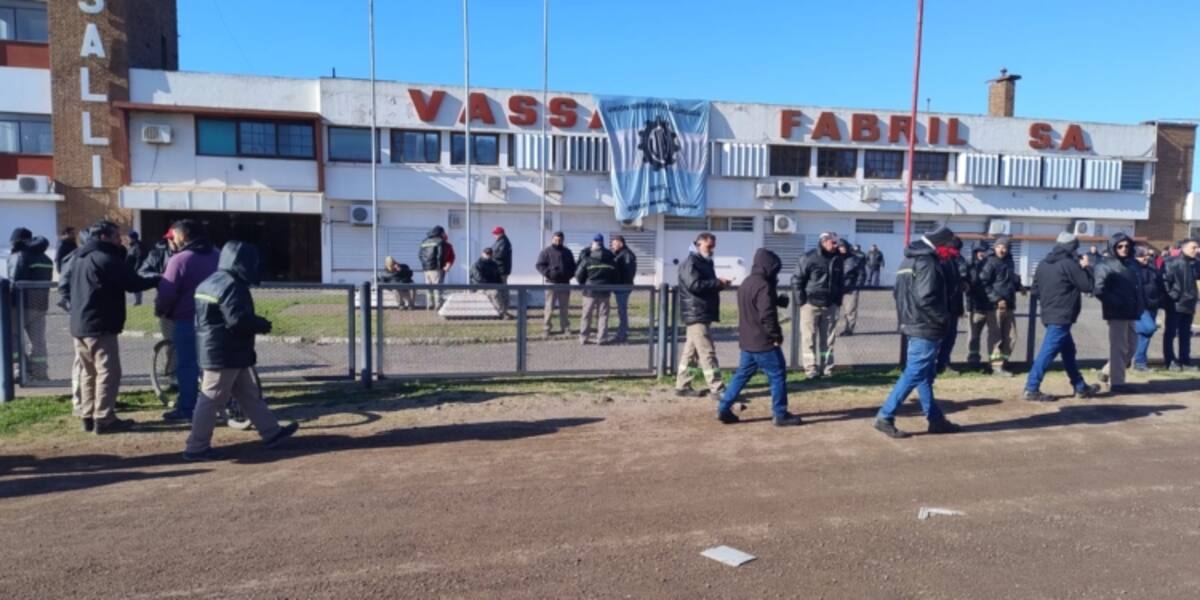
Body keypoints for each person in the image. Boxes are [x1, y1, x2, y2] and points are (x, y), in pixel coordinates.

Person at [184, 241, 298, 461]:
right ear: (242, 263)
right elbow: (237, 320)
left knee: (248, 395)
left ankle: (271, 433)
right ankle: (196, 448)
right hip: (224, 353)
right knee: (210, 400)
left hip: (224, 351)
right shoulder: (231, 285)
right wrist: (260, 324)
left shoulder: (211, 281)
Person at [68, 220, 158, 434]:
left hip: (80, 324)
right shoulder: (106, 258)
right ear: (103, 237)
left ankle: (88, 415)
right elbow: (132, 283)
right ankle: (105, 418)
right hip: (101, 324)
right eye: (117, 236)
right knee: (108, 372)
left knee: (88, 373)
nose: (121, 240)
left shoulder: (79, 258)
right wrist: (157, 280)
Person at [874, 226, 962, 438]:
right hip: (925, 325)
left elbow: (899, 293)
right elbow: (926, 297)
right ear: (942, 244)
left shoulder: (909, 260)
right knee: (916, 372)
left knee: (923, 374)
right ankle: (885, 415)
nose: (952, 254)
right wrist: (943, 318)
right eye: (950, 249)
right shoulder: (928, 262)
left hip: (913, 323)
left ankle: (935, 419)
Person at [716, 249, 803, 427]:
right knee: (777, 375)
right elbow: (766, 315)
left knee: (741, 375)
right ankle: (780, 414)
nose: (775, 273)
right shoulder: (764, 285)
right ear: (768, 267)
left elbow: (755, 306)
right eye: (775, 269)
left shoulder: (747, 282)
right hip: (764, 342)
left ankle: (724, 407)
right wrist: (776, 335)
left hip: (747, 341)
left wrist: (775, 299)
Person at [1023, 232, 1101, 402]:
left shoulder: (1043, 263)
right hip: (1063, 315)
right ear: (1072, 247)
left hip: (1048, 313)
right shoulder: (1069, 264)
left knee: (1068, 351)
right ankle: (1031, 387)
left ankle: (1080, 387)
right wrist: (1087, 267)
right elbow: (1087, 286)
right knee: (1048, 351)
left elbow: (1035, 290)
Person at [155, 219, 219, 421]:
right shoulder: (217, 255)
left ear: (181, 236)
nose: (171, 241)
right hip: (217, 320)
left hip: (187, 319)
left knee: (187, 365)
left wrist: (161, 311)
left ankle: (187, 407)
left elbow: (167, 292)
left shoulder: (180, 260)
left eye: (173, 236)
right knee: (215, 365)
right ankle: (222, 404)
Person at [676, 232, 731, 397]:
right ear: (699, 243)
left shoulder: (704, 262)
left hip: (700, 312)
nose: (712, 249)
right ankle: (717, 388)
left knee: (691, 352)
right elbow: (694, 285)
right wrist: (717, 282)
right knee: (707, 351)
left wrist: (719, 285)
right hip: (696, 313)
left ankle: (682, 385)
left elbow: (703, 285)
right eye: (709, 245)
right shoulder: (691, 262)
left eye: (713, 246)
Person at [1093, 233, 1144, 393]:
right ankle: (1118, 383)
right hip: (1116, 312)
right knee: (1119, 347)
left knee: (1132, 347)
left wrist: (1141, 303)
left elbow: (1138, 286)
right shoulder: (1104, 265)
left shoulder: (1133, 264)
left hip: (1132, 310)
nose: (1124, 249)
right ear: (1113, 247)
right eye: (1120, 246)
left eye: (1127, 246)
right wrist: (1115, 302)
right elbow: (1098, 289)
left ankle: (1107, 371)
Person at [793, 231, 845, 378]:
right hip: (810, 305)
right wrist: (801, 302)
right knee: (808, 339)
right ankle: (811, 370)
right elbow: (797, 280)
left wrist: (837, 301)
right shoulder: (809, 258)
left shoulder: (838, 260)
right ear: (824, 242)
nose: (837, 245)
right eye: (833, 242)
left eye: (837, 242)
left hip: (830, 305)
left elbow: (840, 281)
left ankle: (827, 368)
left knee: (828, 341)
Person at [7, 228, 52, 380]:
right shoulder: (46, 258)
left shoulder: (19, 255)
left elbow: (15, 281)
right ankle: (40, 372)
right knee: (38, 341)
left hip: (18, 306)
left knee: (13, 337)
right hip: (40, 305)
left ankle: (20, 370)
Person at [977, 237, 1019, 376]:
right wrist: (997, 299)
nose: (1002, 249)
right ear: (994, 247)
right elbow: (983, 283)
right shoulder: (990, 262)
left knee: (1011, 336)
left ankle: (1003, 362)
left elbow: (1010, 279)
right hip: (995, 306)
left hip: (1009, 304)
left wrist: (1019, 285)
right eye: (999, 246)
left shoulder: (1009, 261)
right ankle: (996, 366)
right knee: (996, 336)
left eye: (1005, 247)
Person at [140, 230, 178, 381]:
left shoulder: (192, 254)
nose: (173, 243)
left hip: (189, 305)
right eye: (170, 240)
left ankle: (177, 374)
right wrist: (161, 278)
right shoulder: (157, 253)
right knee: (172, 342)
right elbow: (143, 272)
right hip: (167, 305)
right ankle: (173, 376)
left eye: (174, 239)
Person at [1162, 238, 1200, 371]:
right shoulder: (1172, 263)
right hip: (1175, 304)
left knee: (1185, 334)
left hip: (1190, 304)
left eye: (1197, 248)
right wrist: (1174, 296)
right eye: (1194, 247)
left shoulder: (1196, 264)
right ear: (1184, 248)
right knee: (1171, 333)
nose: (1197, 250)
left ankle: (1185, 360)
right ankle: (1170, 360)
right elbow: (1165, 282)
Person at [575, 234, 618, 345]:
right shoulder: (610, 258)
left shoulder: (587, 258)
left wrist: (583, 284)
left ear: (594, 243)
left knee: (586, 315)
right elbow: (615, 275)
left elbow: (578, 274)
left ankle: (584, 337)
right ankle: (602, 338)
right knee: (603, 315)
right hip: (605, 290)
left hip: (589, 291)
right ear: (603, 243)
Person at [936, 237, 969, 375]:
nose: (956, 251)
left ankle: (944, 363)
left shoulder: (956, 261)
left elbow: (958, 286)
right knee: (940, 336)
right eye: (954, 249)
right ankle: (936, 364)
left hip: (953, 306)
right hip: (943, 306)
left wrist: (960, 308)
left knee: (950, 336)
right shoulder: (940, 261)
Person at [535, 231, 576, 336]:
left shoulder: (567, 252)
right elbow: (539, 265)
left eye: (560, 239)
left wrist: (568, 275)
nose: (558, 241)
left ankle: (565, 327)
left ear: (563, 240)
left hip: (565, 283)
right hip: (551, 283)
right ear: (552, 239)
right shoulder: (546, 252)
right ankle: (546, 328)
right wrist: (549, 273)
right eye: (556, 239)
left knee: (564, 307)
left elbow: (573, 267)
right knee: (549, 307)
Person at [1132, 246, 1163, 372]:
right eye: (1141, 255)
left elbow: (1159, 285)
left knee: (1146, 334)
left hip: (1153, 305)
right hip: (1140, 306)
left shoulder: (1152, 268)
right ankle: (1137, 360)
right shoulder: (1133, 270)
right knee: (1149, 328)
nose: (1145, 257)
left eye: (1147, 255)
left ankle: (1140, 362)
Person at [965, 242, 991, 368]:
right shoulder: (969, 266)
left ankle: (994, 362)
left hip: (990, 304)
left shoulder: (990, 264)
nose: (982, 253)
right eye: (979, 251)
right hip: (975, 306)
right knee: (974, 335)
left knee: (994, 334)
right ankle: (973, 359)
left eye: (984, 251)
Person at [611, 235, 638, 343]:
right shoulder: (620, 254)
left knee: (622, 310)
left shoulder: (626, 255)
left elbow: (628, 273)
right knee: (621, 310)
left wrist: (618, 281)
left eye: (614, 244)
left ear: (620, 243)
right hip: (620, 286)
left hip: (623, 286)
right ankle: (623, 330)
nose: (612, 246)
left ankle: (623, 333)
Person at [418, 225, 450, 310]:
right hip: (436, 269)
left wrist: (424, 265)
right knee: (437, 287)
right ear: (440, 232)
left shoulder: (424, 241)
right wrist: (441, 267)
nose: (444, 234)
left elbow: (420, 255)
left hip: (426, 269)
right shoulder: (440, 241)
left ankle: (430, 304)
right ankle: (438, 305)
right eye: (443, 232)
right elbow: (440, 255)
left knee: (428, 288)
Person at [838, 240, 865, 336]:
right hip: (836, 288)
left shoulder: (856, 260)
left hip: (850, 288)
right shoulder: (834, 258)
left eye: (843, 246)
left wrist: (856, 286)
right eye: (840, 247)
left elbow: (861, 274)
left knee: (850, 310)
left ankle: (849, 329)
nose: (842, 248)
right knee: (833, 311)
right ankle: (830, 329)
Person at [470, 247, 503, 313]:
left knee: (501, 293)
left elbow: (498, 277)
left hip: (491, 287)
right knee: (494, 293)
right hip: (479, 288)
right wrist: (492, 286)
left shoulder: (494, 264)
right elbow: (479, 279)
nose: (488, 255)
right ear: (483, 254)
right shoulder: (477, 265)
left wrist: (501, 286)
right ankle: (500, 312)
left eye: (490, 254)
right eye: (487, 253)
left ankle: (501, 312)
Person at [491, 226, 513, 318]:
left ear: (501, 233)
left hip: (502, 270)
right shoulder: (500, 241)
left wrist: (490, 255)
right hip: (499, 269)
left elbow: (500, 255)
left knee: (501, 290)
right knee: (500, 290)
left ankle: (503, 310)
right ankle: (502, 310)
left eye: (496, 234)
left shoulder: (504, 242)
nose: (494, 235)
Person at [125, 231, 146, 305]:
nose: (127, 239)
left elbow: (139, 259)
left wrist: (136, 269)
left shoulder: (138, 246)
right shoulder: (132, 246)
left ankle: (138, 301)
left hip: (135, 270)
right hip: (130, 269)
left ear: (133, 238)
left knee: (136, 285)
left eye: (128, 238)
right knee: (134, 285)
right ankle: (137, 301)